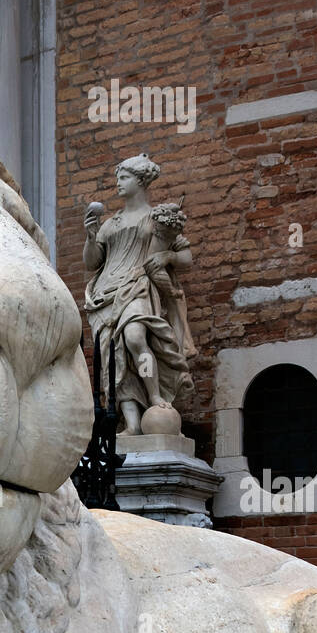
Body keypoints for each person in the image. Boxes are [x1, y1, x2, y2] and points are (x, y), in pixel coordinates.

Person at [83, 154, 194, 436]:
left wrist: (168, 256)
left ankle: (156, 396)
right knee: (113, 357)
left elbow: (186, 256)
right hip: (106, 293)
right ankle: (131, 423)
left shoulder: (156, 218)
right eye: (118, 178)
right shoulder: (111, 223)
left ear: (141, 180)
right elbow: (92, 262)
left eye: (124, 178)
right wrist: (90, 235)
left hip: (139, 286)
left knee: (134, 337)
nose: (118, 184)